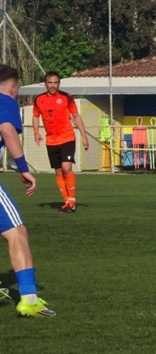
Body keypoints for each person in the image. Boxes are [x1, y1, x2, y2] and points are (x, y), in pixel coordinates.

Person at [0, 65, 56, 316]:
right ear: (13, 87)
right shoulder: (5, 100)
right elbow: (6, 129)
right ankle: (29, 300)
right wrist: (22, 168)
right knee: (17, 232)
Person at [32, 71, 89, 212]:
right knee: (58, 171)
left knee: (66, 168)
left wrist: (84, 136)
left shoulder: (66, 97)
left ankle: (72, 200)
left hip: (67, 138)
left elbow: (76, 116)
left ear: (59, 83)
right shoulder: (39, 99)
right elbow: (35, 116)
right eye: (50, 82)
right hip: (51, 141)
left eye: (55, 82)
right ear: (45, 84)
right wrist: (36, 132)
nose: (53, 85)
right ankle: (67, 201)